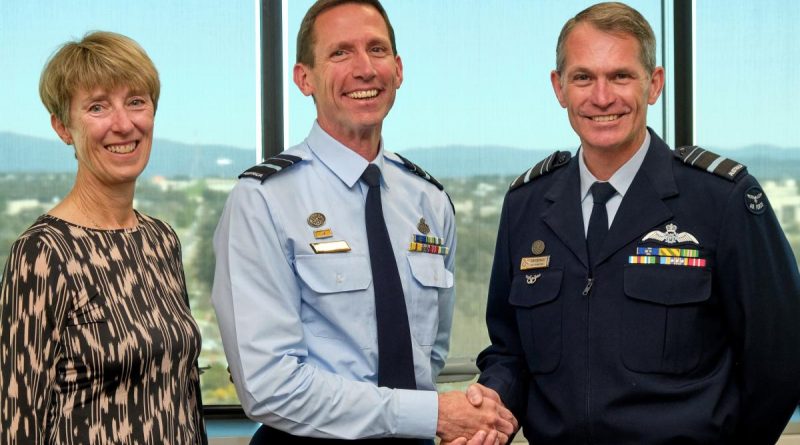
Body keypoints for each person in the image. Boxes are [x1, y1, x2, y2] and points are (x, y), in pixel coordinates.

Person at [470, 2, 800, 444]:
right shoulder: (525, 207)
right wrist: (491, 407)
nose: (601, 97)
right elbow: (510, 352)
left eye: (621, 76)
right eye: (583, 77)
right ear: (559, 87)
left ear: (654, 84)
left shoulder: (722, 200)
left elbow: (782, 357)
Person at [211, 0, 516, 443]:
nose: (364, 69)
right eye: (340, 53)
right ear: (304, 78)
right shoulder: (263, 200)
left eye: (377, 50)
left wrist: (448, 416)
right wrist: (428, 414)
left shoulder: (429, 202)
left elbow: (428, 356)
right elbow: (268, 386)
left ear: (398, 69)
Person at [0, 31, 207, 444]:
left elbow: (184, 399)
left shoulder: (161, 240)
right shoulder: (41, 253)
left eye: (136, 101)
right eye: (97, 107)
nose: (123, 124)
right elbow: (16, 426)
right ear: (63, 127)